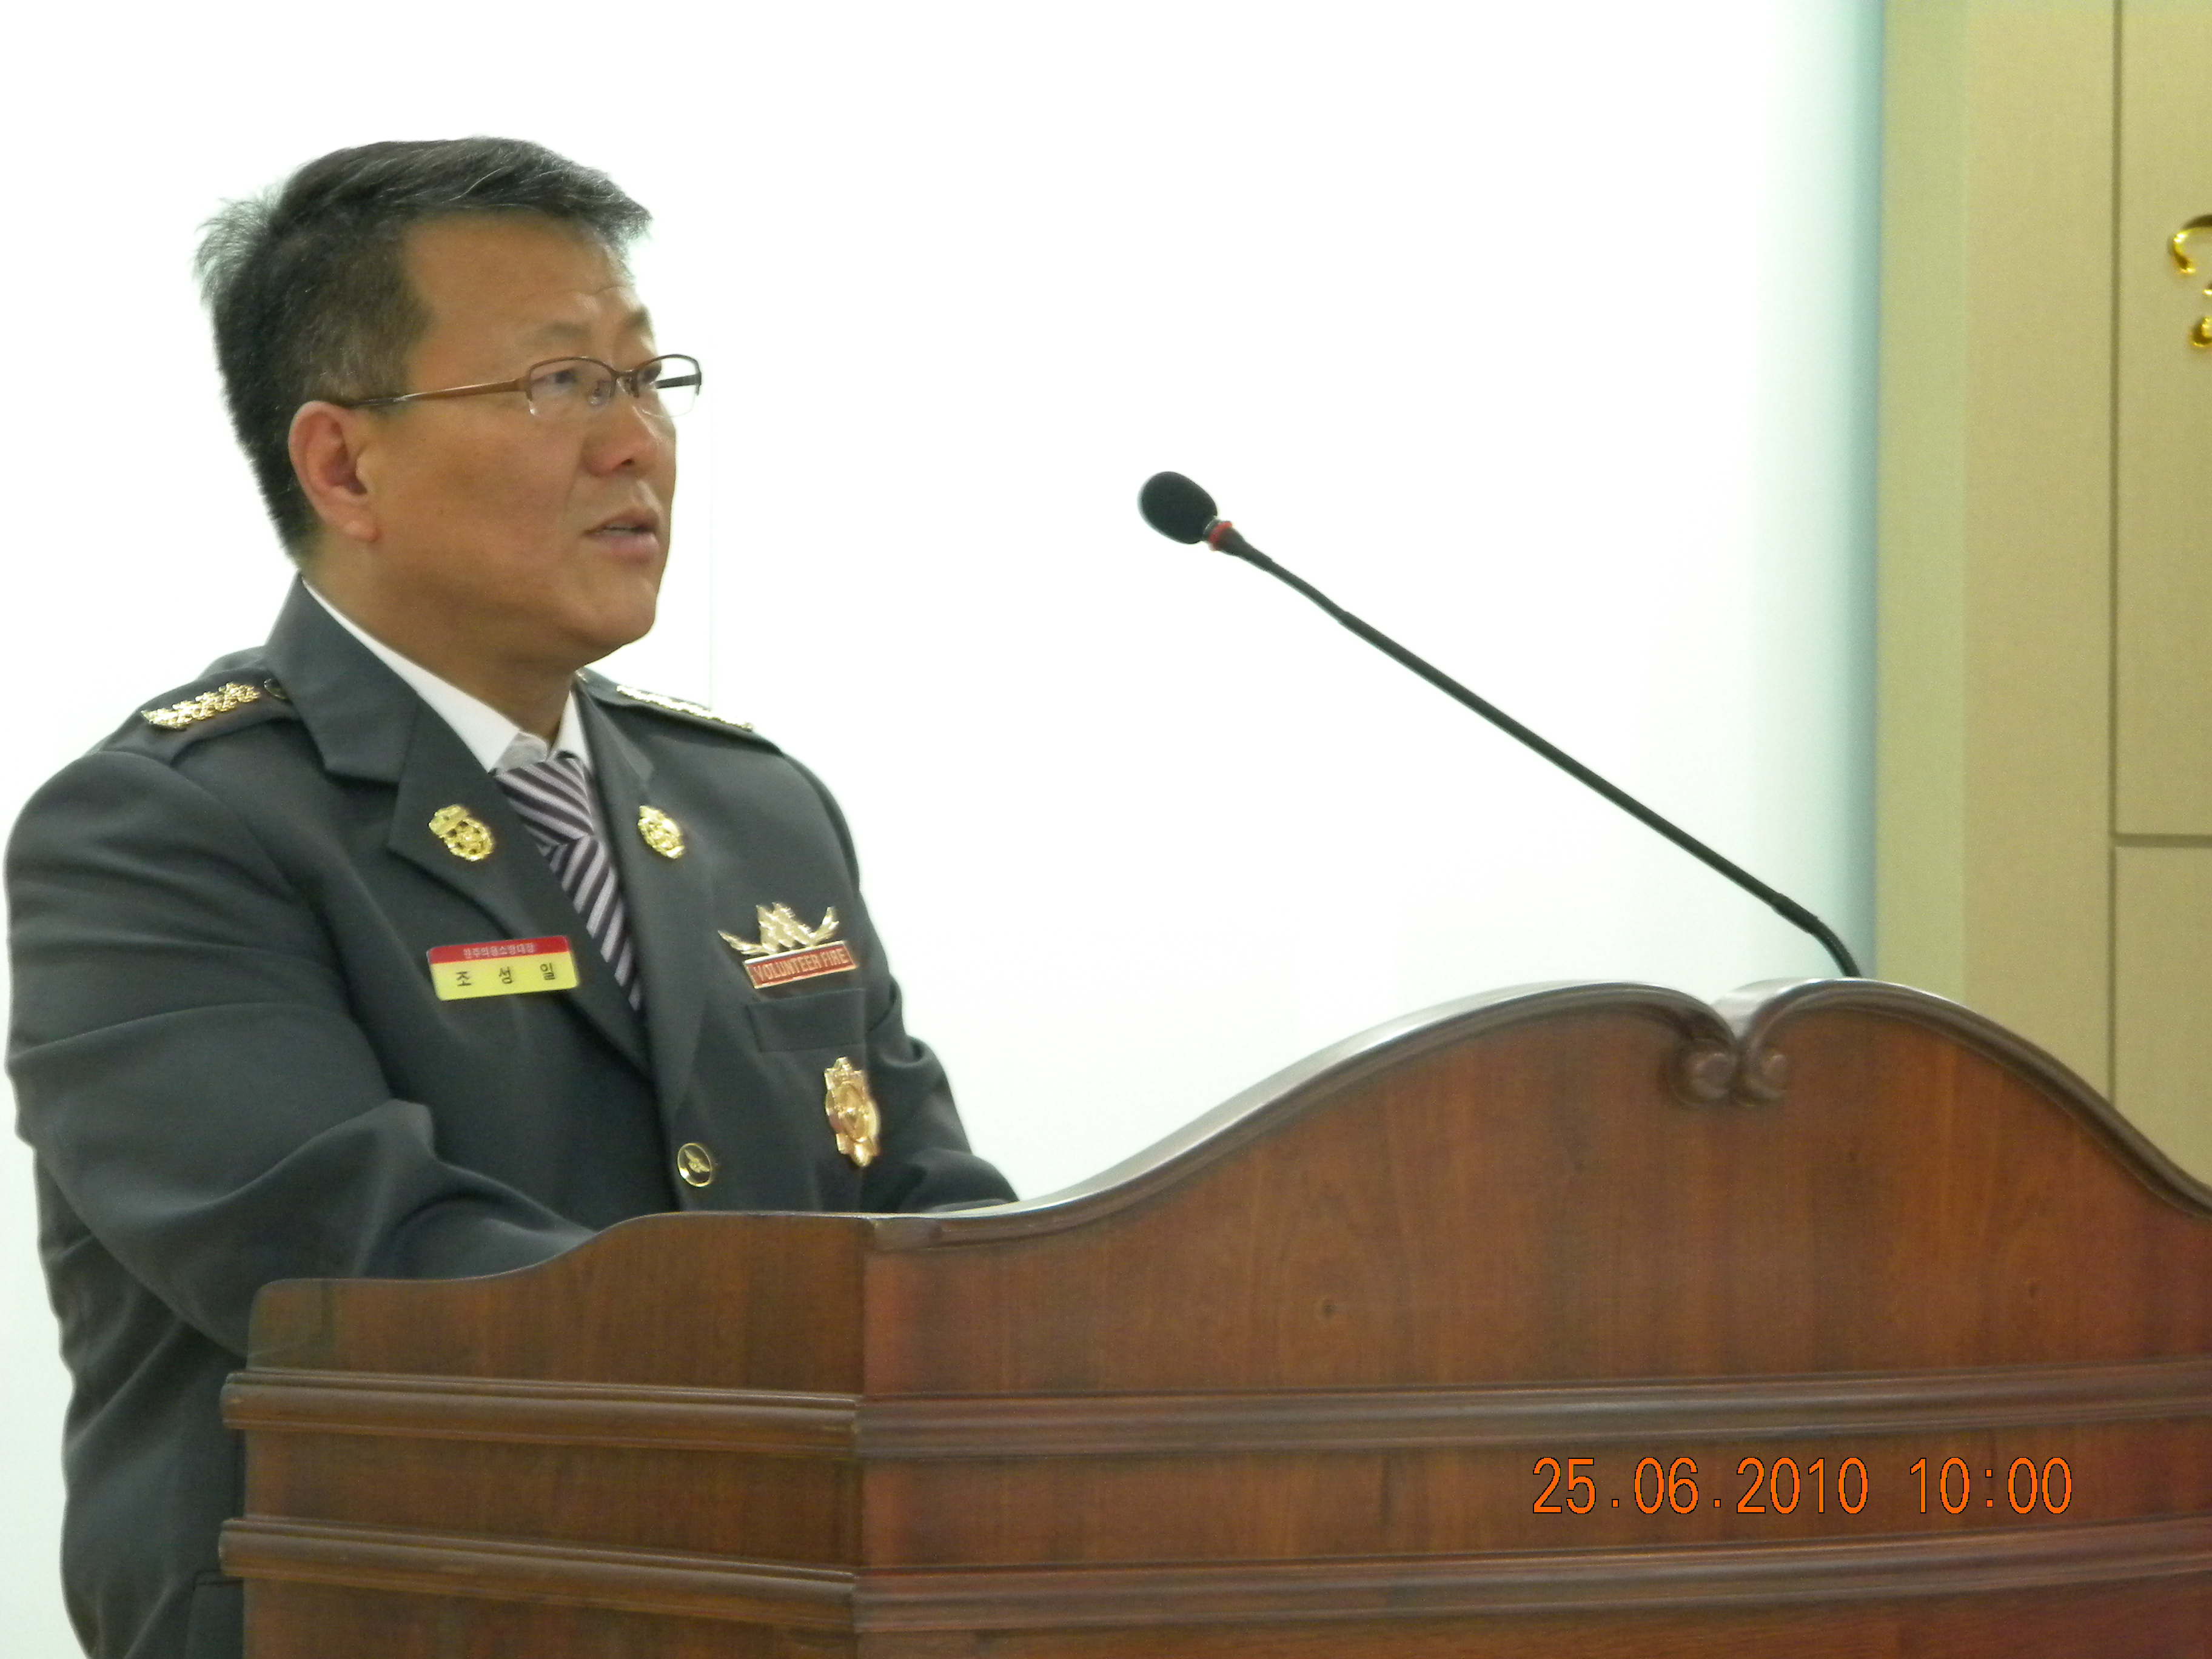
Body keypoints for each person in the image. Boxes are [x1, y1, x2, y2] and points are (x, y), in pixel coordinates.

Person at [7, 137, 1013, 1659]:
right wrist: (824, 1356)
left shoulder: (755, 811)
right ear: (344, 466)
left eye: (647, 381)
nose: (636, 445)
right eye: (561, 385)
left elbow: (927, 1210)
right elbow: (367, 1273)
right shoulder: (164, 833)